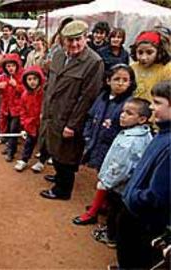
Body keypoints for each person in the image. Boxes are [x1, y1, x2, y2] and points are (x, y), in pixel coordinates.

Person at [39, 20, 104, 200]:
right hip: (54, 113)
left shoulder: (94, 62)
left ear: (86, 38)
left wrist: (73, 125)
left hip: (70, 117)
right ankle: (60, 176)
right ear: (62, 40)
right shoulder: (59, 55)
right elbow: (50, 85)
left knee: (67, 154)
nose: (74, 44)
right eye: (70, 40)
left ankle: (62, 190)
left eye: (79, 39)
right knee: (55, 149)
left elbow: (88, 98)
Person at [114, 80, 170, 269]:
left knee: (135, 258)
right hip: (135, 210)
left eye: (157, 102)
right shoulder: (163, 134)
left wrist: (134, 197)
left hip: (142, 218)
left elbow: (158, 194)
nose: (151, 107)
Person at [72, 64, 136, 225]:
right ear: (108, 80)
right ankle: (103, 204)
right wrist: (87, 136)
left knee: (107, 179)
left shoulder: (129, 104)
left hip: (115, 150)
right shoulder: (102, 97)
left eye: (125, 80)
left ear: (131, 82)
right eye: (116, 79)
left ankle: (93, 212)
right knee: (102, 175)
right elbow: (90, 116)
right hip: (97, 143)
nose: (120, 83)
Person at [87, 98, 152, 248]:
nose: (122, 115)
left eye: (129, 113)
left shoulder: (129, 142)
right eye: (123, 111)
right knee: (118, 210)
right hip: (128, 186)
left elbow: (121, 168)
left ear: (142, 119)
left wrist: (106, 182)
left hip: (119, 186)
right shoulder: (144, 134)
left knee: (114, 210)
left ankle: (111, 236)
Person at [13, 66, 44, 172]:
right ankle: (24, 160)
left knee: (44, 144)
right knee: (29, 143)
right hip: (31, 124)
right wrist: (24, 123)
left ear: (40, 79)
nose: (32, 82)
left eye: (35, 79)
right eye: (29, 79)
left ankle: (41, 161)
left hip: (43, 124)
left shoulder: (44, 94)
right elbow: (23, 111)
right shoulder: (25, 95)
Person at [0, 53, 24, 162]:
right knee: (7, 129)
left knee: (13, 130)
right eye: (8, 66)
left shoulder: (22, 76)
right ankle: (9, 147)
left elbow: (26, 91)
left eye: (12, 65)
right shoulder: (3, 76)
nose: (10, 68)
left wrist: (16, 85)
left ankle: (11, 152)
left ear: (17, 65)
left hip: (17, 110)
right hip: (6, 109)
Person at [131, 30, 171, 103]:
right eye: (140, 52)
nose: (144, 57)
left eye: (149, 52)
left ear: (159, 51)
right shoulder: (133, 67)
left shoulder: (167, 69)